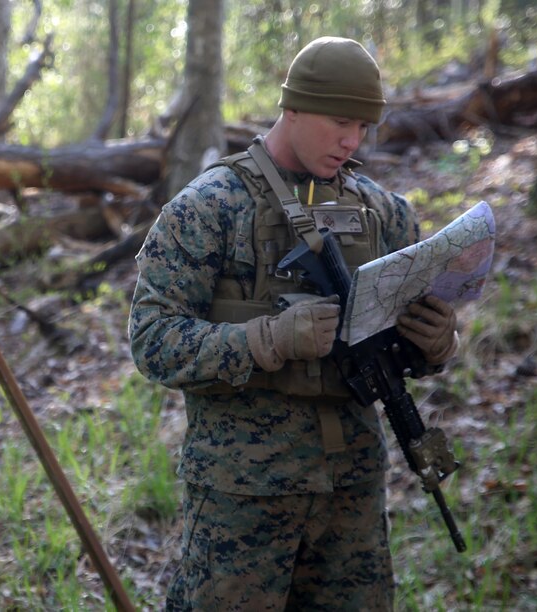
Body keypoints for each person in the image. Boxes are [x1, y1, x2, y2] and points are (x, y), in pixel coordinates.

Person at [128, 36, 459, 611]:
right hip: (242, 496)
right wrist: (269, 339)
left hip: (351, 492)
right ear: (294, 107)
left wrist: (437, 344)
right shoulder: (208, 207)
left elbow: (403, 348)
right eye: (338, 121)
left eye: (363, 126)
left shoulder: (384, 213)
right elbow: (153, 342)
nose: (351, 140)